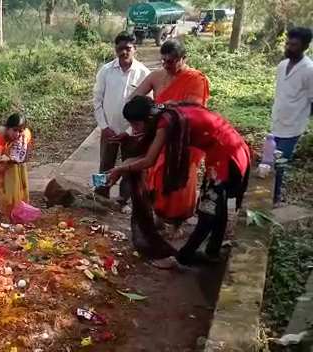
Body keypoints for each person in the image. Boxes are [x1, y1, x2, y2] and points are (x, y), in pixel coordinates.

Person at [108, 96, 250, 269]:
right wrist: (120, 168)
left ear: (148, 119)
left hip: (227, 155)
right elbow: (141, 154)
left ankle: (184, 257)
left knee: (209, 208)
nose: (134, 129)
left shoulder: (164, 124)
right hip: (226, 149)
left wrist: (121, 169)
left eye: (136, 124)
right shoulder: (163, 113)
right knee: (215, 204)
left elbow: (148, 160)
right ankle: (212, 252)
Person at [130, 39, 211, 238]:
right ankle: (159, 216)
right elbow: (136, 96)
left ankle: (176, 223)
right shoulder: (157, 76)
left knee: (181, 180)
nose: (167, 65)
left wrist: (167, 106)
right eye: (164, 60)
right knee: (156, 177)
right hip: (161, 135)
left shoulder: (196, 79)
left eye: (172, 61)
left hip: (185, 138)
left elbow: (194, 107)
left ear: (184, 58)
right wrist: (146, 108)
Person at [92, 31, 150, 212]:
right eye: (120, 49)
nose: (123, 52)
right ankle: (101, 197)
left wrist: (130, 132)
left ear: (135, 49)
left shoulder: (143, 73)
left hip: (131, 134)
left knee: (129, 167)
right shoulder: (106, 71)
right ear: (115, 50)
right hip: (109, 130)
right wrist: (105, 127)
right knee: (105, 165)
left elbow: (147, 107)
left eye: (127, 48)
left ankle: (124, 201)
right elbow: (97, 100)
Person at [270, 27, 313, 207]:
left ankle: (275, 198)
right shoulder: (281, 66)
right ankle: (271, 194)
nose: (289, 47)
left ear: (305, 46)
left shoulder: (309, 70)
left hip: (293, 124)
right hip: (277, 121)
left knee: (279, 162)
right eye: (288, 43)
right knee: (270, 160)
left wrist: (303, 118)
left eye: (294, 45)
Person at [0, 113, 32, 219]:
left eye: (20, 131)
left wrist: (11, 159)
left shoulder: (25, 136)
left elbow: (25, 157)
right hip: (0, 165)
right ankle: (4, 213)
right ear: (7, 128)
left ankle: (17, 213)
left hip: (16, 166)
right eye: (14, 130)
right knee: (0, 190)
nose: (17, 134)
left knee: (15, 191)